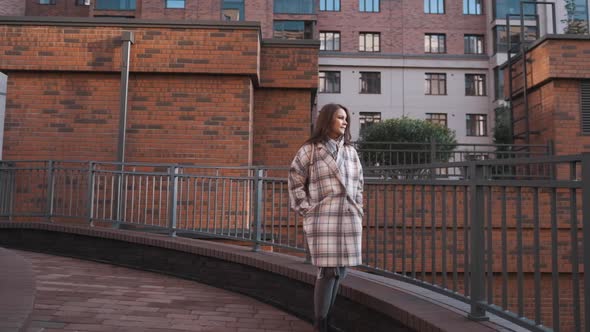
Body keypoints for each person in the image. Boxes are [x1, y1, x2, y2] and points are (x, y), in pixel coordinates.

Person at [288, 103, 364, 332]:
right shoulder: (310, 150)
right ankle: (320, 323)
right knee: (327, 270)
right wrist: (307, 209)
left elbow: (359, 183)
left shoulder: (350, 152)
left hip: (348, 217)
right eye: (340, 117)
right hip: (324, 218)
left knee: (340, 271)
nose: (345, 122)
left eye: (346, 118)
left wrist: (358, 206)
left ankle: (327, 320)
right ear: (327, 120)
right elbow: (295, 180)